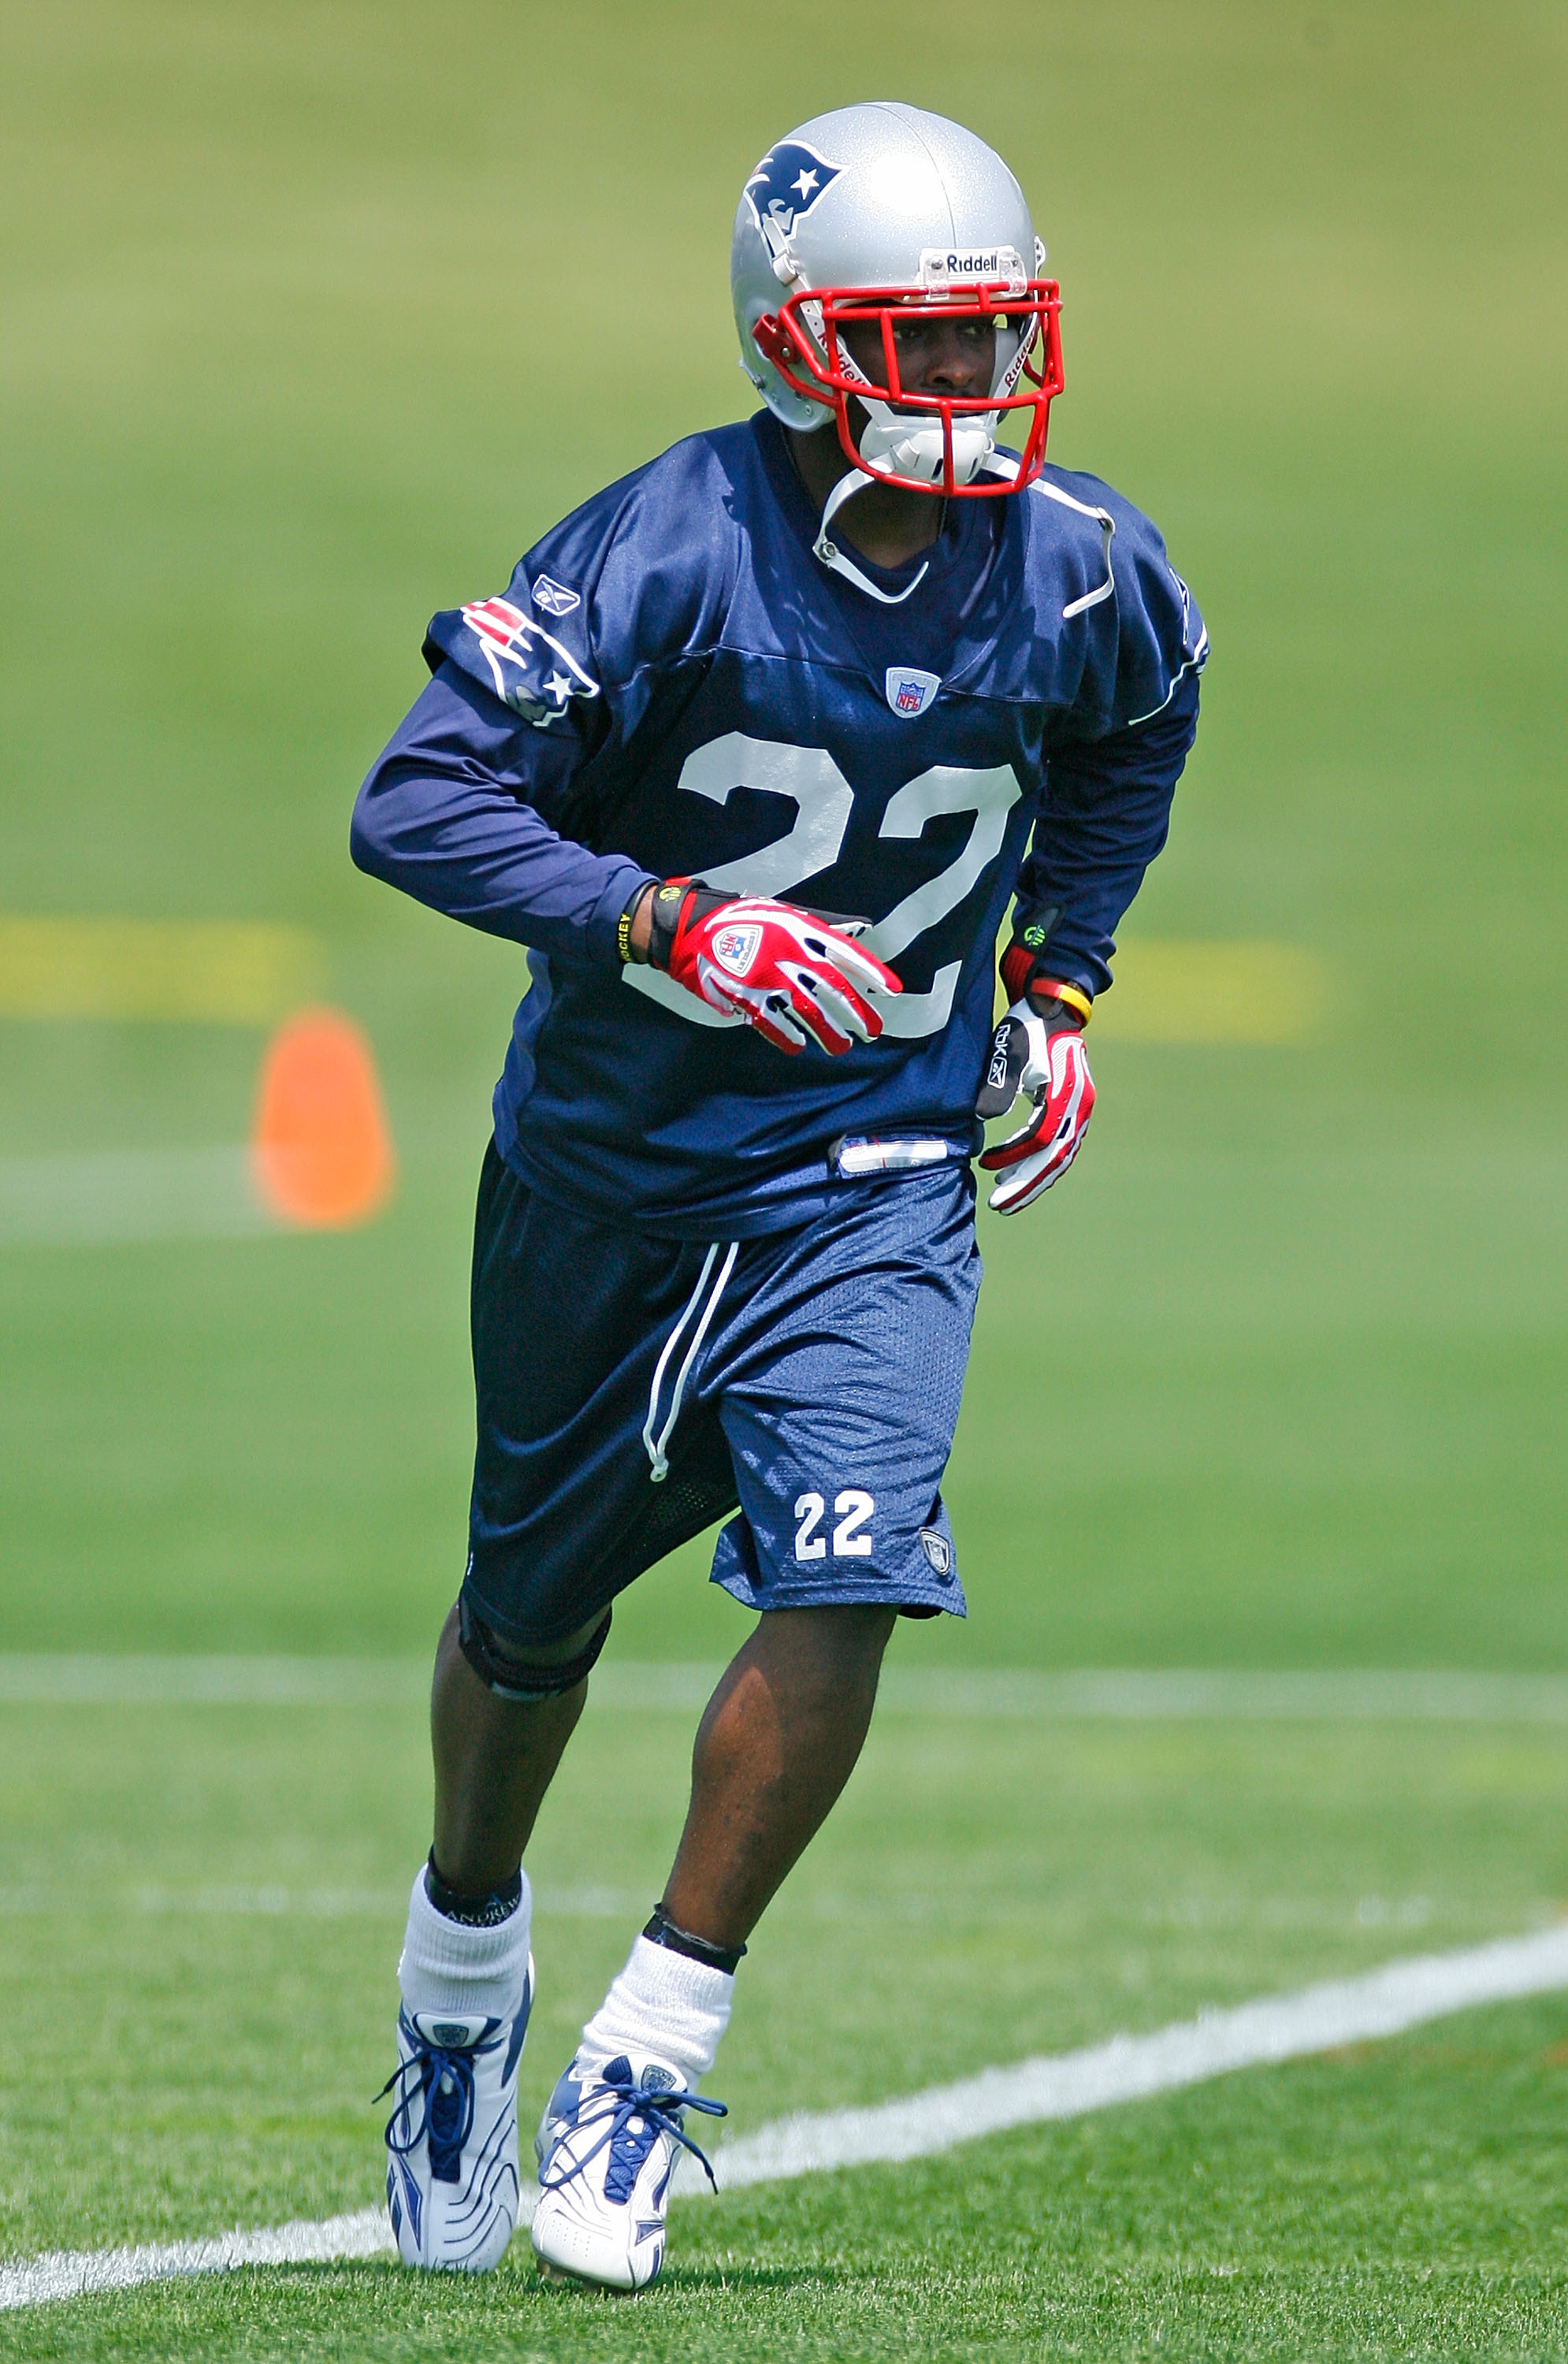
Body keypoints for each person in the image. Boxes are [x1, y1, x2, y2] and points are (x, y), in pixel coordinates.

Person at [351, 98, 1206, 2291]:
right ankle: (464, 1972)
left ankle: (653, 2042)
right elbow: (419, 802)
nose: (978, 395)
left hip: (878, 1177)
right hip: (615, 1177)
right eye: (927, 350)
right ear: (800, 348)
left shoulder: (1089, 568)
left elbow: (1141, 723)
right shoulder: (661, 549)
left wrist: (1058, 981)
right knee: (528, 1616)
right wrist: (665, 923)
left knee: (847, 1568)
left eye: (1000, 342)